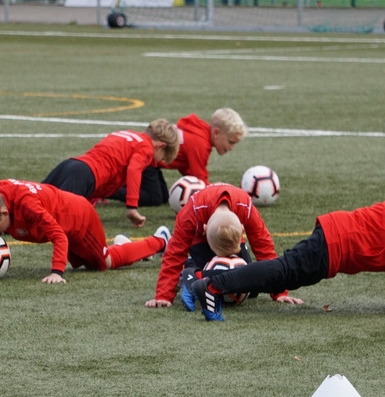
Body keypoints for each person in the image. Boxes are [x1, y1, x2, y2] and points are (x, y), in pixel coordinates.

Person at [191, 195, 385, 321]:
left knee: (281, 274)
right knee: (279, 272)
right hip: (336, 243)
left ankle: (203, 279)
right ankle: (213, 286)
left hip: (336, 239)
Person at [0, 179, 170, 284]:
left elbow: (58, 235)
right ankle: (124, 245)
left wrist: (56, 272)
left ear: (4, 212)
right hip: (66, 216)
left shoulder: (28, 206)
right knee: (88, 264)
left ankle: (161, 240)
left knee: (105, 262)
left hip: (80, 221)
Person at [145, 183, 296, 310]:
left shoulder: (246, 208)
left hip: (228, 227)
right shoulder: (189, 215)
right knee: (211, 280)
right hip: (198, 238)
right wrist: (164, 296)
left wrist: (279, 293)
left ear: (241, 229)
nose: (227, 259)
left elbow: (264, 247)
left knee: (251, 286)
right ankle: (188, 271)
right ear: (204, 229)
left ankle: (198, 270)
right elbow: (174, 254)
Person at [42, 119, 179, 227]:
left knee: (35, 200)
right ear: (161, 146)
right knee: (56, 222)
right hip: (85, 175)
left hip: (70, 165)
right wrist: (132, 207)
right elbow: (134, 170)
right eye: (162, 158)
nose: (157, 162)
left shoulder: (128, 134)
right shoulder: (146, 147)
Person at [109, 108, 248, 209]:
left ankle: (118, 184)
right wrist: (217, 196)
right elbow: (199, 178)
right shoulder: (200, 144)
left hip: (153, 163)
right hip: (148, 160)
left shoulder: (199, 134)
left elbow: (187, 168)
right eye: (231, 142)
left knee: (164, 197)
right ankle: (109, 190)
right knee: (154, 198)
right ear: (216, 133)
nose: (232, 147)